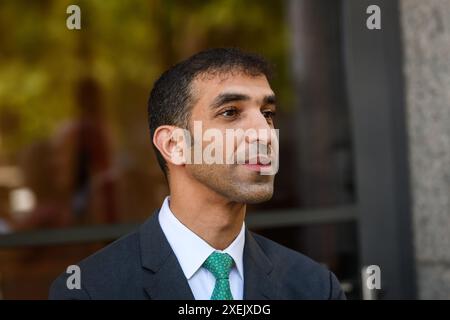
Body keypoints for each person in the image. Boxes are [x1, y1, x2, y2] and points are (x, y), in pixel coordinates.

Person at [49, 48, 345, 300]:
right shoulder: (89, 290)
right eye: (230, 112)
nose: (265, 134)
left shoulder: (316, 287)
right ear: (175, 145)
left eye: (267, 114)